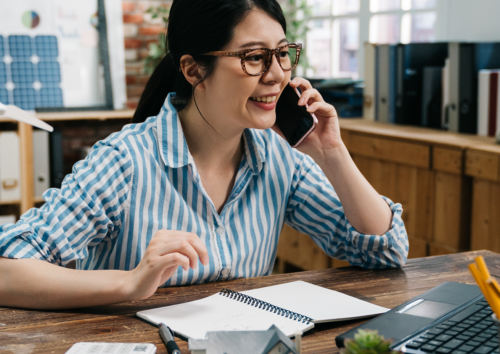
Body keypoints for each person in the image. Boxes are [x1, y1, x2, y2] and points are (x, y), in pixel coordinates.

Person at [0, 0, 408, 310]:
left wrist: (332, 152)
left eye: (282, 53)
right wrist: (130, 282)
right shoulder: (126, 160)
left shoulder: (280, 158)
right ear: (195, 70)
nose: (277, 74)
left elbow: (384, 249)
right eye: (253, 57)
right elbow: (7, 271)